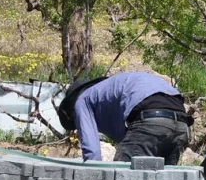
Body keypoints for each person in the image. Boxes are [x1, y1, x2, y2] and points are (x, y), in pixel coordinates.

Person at [56, 71, 192, 165]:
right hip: (181, 121)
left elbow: (93, 155)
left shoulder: (82, 101)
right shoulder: (107, 91)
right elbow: (127, 136)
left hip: (150, 117)